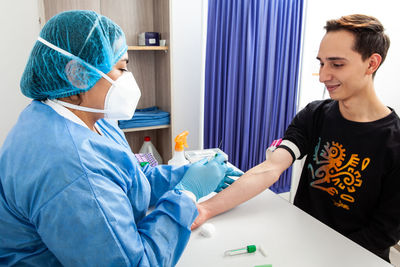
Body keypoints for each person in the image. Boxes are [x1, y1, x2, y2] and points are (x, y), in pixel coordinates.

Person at [0, 10, 241, 266]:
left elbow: (130, 178)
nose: (129, 79)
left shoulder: (87, 119)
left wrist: (186, 175)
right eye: (121, 68)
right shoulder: (70, 168)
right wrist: (188, 193)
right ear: (77, 75)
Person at [193, 14, 400, 262]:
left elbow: (381, 234)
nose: (323, 76)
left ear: (371, 63)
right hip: (302, 243)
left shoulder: (394, 143)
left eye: (336, 64)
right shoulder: (316, 115)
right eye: (322, 63)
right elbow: (271, 168)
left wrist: (318, 258)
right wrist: (205, 209)